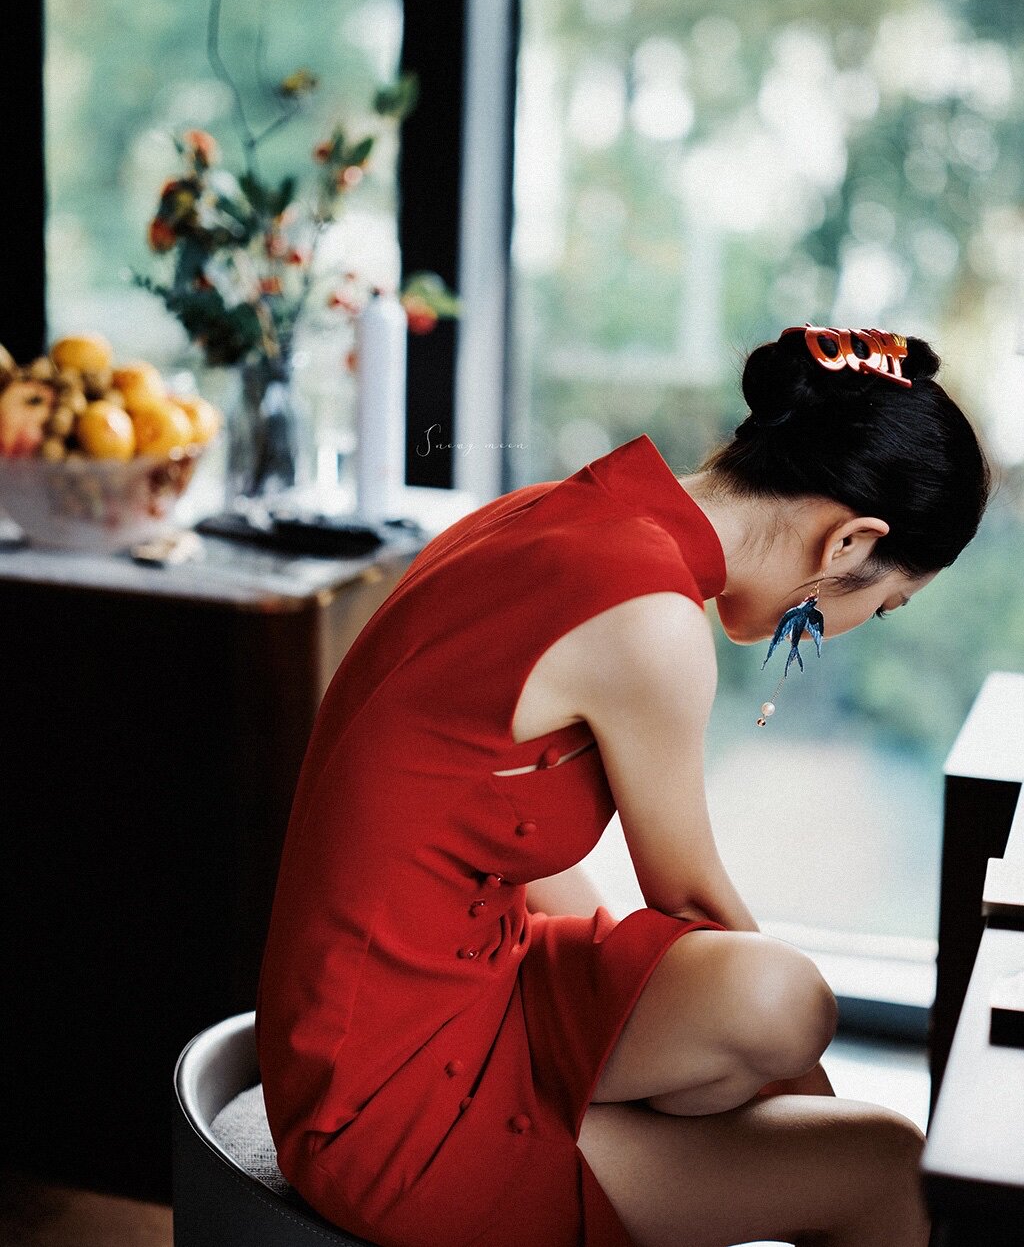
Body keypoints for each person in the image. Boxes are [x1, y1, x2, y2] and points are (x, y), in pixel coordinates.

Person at [255, 324, 989, 1247]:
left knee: (777, 1004)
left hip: (458, 988)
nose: (857, 623)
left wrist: (692, 1048)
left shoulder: (549, 512)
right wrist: (811, 1107)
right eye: (881, 605)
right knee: (882, 1158)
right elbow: (687, 897)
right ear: (849, 541)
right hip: (388, 1100)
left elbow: (483, 829)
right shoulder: (649, 619)